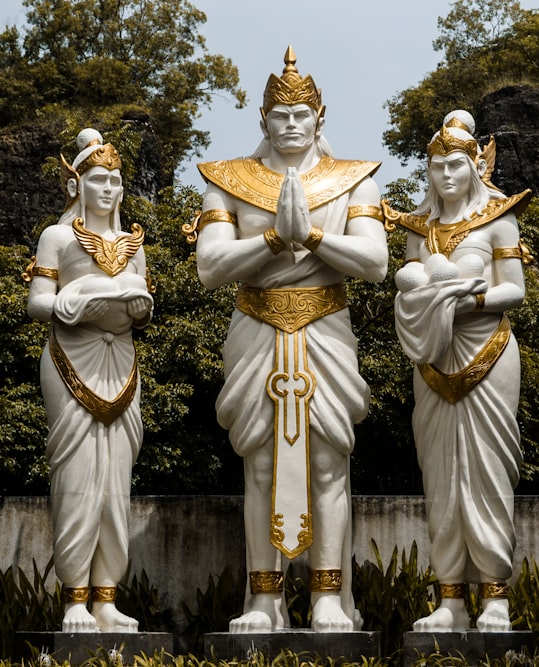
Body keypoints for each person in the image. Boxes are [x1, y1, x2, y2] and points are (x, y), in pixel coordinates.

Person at [182, 47, 388, 633]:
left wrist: (314, 235)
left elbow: (374, 262)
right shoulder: (226, 182)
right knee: (262, 466)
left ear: (320, 117)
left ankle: (327, 594)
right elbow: (211, 267)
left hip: (325, 326)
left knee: (327, 462)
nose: (292, 124)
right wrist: (275, 238)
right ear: (264, 120)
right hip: (256, 326)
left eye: (302, 115)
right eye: (280, 115)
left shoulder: (356, 180)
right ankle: (264, 599)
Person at [387, 110, 530, 632]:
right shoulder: (418, 230)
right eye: (436, 167)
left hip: (487, 351)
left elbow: (514, 289)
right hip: (432, 357)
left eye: (455, 165)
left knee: (489, 474)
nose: (445, 176)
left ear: (476, 166)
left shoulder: (498, 220)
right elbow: (410, 287)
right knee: (441, 477)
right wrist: (433, 304)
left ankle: (495, 596)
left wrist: (463, 298)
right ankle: (448, 599)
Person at [25, 128, 153, 633]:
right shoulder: (57, 237)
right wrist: (72, 301)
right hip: (69, 357)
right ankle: (74, 599)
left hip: (121, 359)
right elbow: (37, 303)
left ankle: (106, 599)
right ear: (76, 184)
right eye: (98, 179)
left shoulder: (133, 242)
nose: (108, 189)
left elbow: (143, 306)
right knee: (77, 480)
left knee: (115, 482)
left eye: (115, 181)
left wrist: (133, 303)